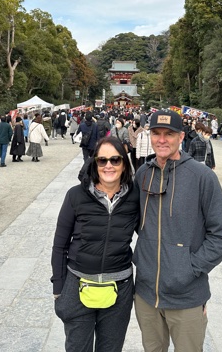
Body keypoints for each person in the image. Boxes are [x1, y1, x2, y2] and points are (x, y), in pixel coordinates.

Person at [133, 110, 222, 351]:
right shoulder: (143, 174)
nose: (162, 140)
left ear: (181, 137)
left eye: (169, 134)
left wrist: (190, 268)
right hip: (146, 294)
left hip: (186, 296)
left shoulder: (202, 177)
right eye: (156, 133)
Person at [51, 136, 138, 352]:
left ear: (124, 163)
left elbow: (152, 234)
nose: (109, 165)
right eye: (102, 160)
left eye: (115, 160)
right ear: (94, 163)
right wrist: (59, 288)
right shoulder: (76, 195)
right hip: (78, 283)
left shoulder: (136, 197)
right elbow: (60, 245)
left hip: (119, 288)